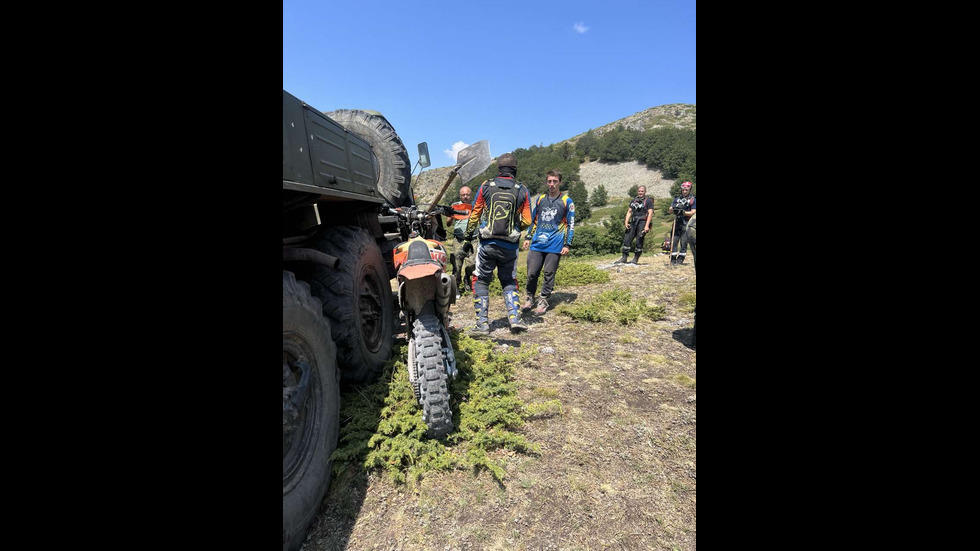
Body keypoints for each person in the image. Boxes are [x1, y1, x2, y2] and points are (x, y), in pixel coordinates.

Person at [462, 153, 532, 336]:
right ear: (514, 170)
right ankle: (515, 319)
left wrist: (468, 237)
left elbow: (475, 213)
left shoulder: (486, 185)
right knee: (508, 280)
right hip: (510, 245)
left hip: (487, 243)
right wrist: (515, 225)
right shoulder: (522, 189)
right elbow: (528, 220)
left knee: (481, 279)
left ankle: (483, 325)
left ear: (499, 169)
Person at [522, 169, 575, 315]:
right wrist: (527, 237)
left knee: (549, 272)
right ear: (546, 182)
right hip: (537, 242)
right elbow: (534, 220)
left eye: (555, 181)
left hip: (555, 243)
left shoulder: (567, 201)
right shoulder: (540, 199)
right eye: (549, 181)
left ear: (560, 182)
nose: (552, 184)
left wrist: (567, 244)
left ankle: (544, 298)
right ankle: (530, 296)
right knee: (532, 272)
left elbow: (571, 224)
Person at [444, 186, 473, 296]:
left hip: (473, 239)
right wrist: (451, 216)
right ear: (460, 195)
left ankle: (467, 277)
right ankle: (456, 286)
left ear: (470, 195)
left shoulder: (475, 206)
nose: (465, 197)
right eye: (463, 195)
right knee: (457, 264)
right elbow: (448, 224)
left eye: (467, 194)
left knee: (473, 263)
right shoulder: (455, 206)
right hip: (459, 239)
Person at [616, 185, 654, 264]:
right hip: (633, 222)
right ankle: (624, 257)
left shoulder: (648, 201)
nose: (640, 193)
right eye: (639, 191)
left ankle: (635, 259)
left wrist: (647, 226)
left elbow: (650, 213)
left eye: (642, 191)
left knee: (639, 241)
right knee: (627, 239)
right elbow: (629, 211)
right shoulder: (633, 201)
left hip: (642, 222)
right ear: (637, 191)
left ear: (645, 192)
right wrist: (626, 222)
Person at [669, 181, 696, 265]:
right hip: (677, 221)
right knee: (674, 240)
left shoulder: (693, 200)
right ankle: (672, 258)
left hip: (687, 221)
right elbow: (670, 210)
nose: (684, 191)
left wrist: (683, 212)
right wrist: (674, 209)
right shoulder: (677, 199)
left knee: (684, 241)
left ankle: (681, 258)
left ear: (689, 190)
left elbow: (693, 212)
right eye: (683, 190)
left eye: (686, 190)